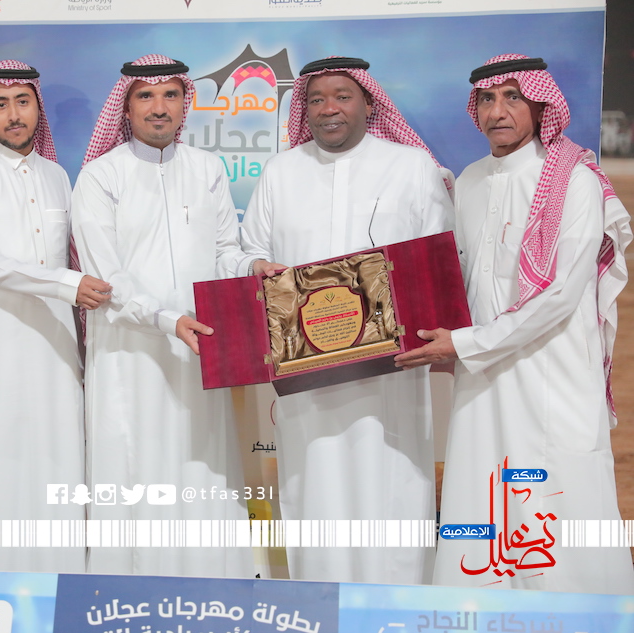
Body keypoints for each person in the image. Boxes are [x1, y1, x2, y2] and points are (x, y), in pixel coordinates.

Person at [395, 54, 634, 594]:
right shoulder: (471, 181)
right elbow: (454, 279)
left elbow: (559, 297)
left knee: (560, 502)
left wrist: (465, 344)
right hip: (481, 376)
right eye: (487, 99)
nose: (497, 111)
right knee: (482, 494)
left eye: (512, 97)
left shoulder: (576, 182)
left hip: (551, 373)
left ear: (540, 105)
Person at [240, 56, 455, 584]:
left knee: (392, 482)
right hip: (306, 377)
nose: (328, 109)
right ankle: (320, 597)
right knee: (314, 483)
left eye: (342, 96)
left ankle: (397, 601)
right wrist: (256, 267)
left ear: (368, 103)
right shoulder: (281, 172)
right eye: (316, 99)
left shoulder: (411, 166)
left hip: (391, 375)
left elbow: (440, 259)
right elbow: (249, 252)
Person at [72, 54, 267, 577]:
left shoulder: (207, 168)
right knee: (135, 468)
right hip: (130, 353)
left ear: (186, 104)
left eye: (171, 95)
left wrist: (252, 267)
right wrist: (165, 320)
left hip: (200, 348)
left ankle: (207, 585)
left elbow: (225, 250)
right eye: (146, 96)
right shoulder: (100, 176)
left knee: (201, 466)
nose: (159, 107)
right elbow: (106, 277)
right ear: (126, 107)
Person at [0, 60, 110, 571]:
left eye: (22, 102)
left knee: (54, 462)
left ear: (37, 108)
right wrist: (67, 285)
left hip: (53, 352)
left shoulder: (58, 176)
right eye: (1, 104)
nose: (13, 115)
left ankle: (56, 580)